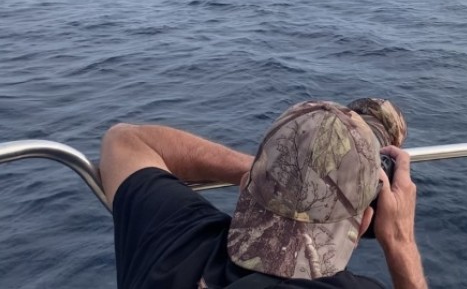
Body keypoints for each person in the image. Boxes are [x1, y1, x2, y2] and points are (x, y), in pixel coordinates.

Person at [99, 98, 427, 289]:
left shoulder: (172, 241)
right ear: (366, 220)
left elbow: (124, 141)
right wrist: (401, 245)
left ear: (245, 184)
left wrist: (276, 174)